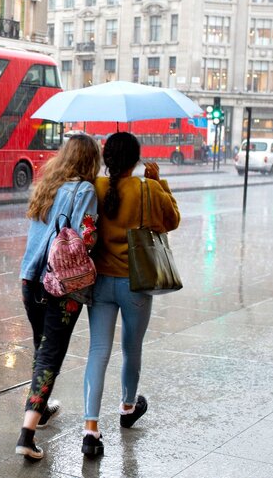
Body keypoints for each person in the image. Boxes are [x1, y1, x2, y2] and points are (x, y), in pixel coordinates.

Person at [81, 132, 180, 457]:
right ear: (136, 160)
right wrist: (159, 182)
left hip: (101, 282)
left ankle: (91, 428)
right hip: (136, 283)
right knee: (131, 347)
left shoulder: (95, 186)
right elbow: (172, 221)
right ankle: (127, 407)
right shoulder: (147, 188)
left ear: (107, 159)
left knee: (98, 351)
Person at [15, 134, 101, 461]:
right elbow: (86, 237)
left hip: (30, 279)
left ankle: (41, 407)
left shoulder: (47, 185)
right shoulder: (85, 190)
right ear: (90, 161)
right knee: (50, 356)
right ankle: (27, 433)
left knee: (42, 349)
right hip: (61, 285)